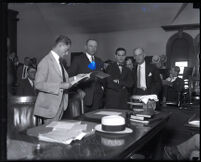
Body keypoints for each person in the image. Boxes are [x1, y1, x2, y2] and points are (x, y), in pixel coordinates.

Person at [33, 35, 84, 124]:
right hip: (50, 107)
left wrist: (76, 77)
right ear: (60, 45)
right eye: (66, 50)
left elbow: (64, 80)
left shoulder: (59, 61)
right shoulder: (45, 61)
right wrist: (60, 85)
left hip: (60, 105)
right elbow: (38, 84)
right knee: (50, 135)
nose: (67, 53)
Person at [67, 39, 104, 113]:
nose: (93, 48)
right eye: (91, 46)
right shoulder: (77, 59)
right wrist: (78, 90)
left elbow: (101, 76)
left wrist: (102, 86)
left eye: (95, 47)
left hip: (98, 98)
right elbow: (70, 77)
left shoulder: (99, 60)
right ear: (85, 47)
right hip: (84, 97)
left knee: (96, 120)